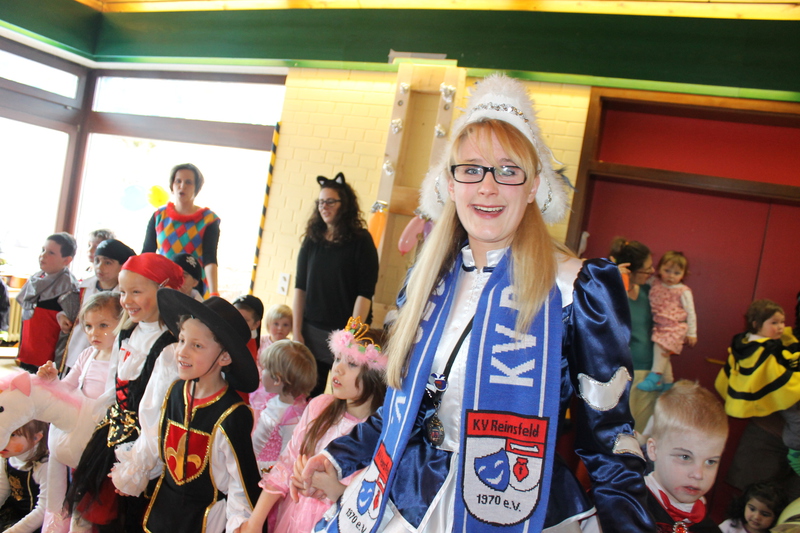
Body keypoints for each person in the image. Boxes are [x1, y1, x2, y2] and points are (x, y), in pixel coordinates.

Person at [299, 74, 652, 533]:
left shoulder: (575, 289)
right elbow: (406, 409)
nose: (487, 187)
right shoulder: (427, 283)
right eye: (471, 169)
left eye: (508, 170)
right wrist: (340, 455)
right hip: (408, 494)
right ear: (451, 184)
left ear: (533, 187)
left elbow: (611, 444)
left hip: (517, 504)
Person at [110, 289, 262, 532]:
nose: (182, 351)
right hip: (162, 515)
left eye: (197, 345)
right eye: (181, 340)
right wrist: (136, 473)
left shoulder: (232, 414)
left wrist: (238, 525)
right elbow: (161, 447)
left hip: (204, 521)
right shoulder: (175, 392)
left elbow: (239, 484)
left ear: (224, 357)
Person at [64, 253, 184, 532]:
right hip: (110, 439)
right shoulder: (127, 333)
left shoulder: (169, 348)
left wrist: (136, 467)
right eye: (122, 292)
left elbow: (155, 418)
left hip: (141, 450)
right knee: (95, 520)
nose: (126, 300)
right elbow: (111, 390)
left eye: (136, 292)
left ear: (163, 291)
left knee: (125, 522)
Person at [237, 317, 387, 533]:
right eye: (337, 359)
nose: (337, 369)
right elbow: (286, 463)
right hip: (293, 517)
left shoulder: (378, 435)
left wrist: (335, 489)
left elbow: (372, 505)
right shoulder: (320, 406)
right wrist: (255, 521)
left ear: (376, 375)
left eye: (352, 363)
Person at [38, 291, 123, 533]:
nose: (94, 333)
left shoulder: (123, 359)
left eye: (103, 325)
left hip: (104, 445)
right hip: (80, 441)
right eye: (88, 326)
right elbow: (67, 388)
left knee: (97, 508)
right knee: (78, 498)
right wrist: (52, 381)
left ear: (122, 323)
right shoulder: (87, 355)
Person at [293, 172, 379, 397]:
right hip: (311, 333)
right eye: (321, 202)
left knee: (341, 397)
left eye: (330, 201)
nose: (324, 207)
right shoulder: (312, 239)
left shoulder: (361, 240)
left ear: (345, 204)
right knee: (307, 397)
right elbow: (300, 288)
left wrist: (350, 338)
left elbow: (364, 294)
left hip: (344, 336)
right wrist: (296, 331)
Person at [716, 299, 800, 501]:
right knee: (750, 501)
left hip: (784, 436)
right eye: (774, 322)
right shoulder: (775, 342)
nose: (779, 326)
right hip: (767, 435)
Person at [644, 380, 728, 533]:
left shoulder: (707, 527)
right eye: (685, 457)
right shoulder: (625, 506)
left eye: (710, 462)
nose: (698, 474)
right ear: (653, 450)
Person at [142, 163, 221, 296]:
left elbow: (210, 258)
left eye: (188, 182)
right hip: (163, 284)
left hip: (194, 287)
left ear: (197, 188)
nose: (182, 186)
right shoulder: (159, 216)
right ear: (172, 186)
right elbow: (147, 253)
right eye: (178, 181)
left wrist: (214, 293)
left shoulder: (208, 219)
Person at [59, 238, 135, 374]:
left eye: (108, 262)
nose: (100, 266)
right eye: (97, 261)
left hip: (107, 357)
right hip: (78, 348)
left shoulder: (124, 295)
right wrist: (63, 316)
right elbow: (73, 311)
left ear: (122, 266)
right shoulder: (83, 288)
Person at [610, 237, 657, 432]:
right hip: (619, 372)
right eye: (647, 269)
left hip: (647, 373)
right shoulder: (613, 291)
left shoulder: (648, 291)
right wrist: (613, 277)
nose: (652, 271)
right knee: (616, 431)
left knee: (640, 432)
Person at [16, 233, 80, 373]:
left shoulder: (68, 286)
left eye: (51, 253)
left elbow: (70, 325)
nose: (43, 255)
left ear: (66, 260)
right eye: (43, 250)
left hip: (47, 359)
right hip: (29, 350)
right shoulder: (36, 278)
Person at [251, 339, 317, 473]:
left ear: (277, 379)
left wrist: (256, 468)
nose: (260, 373)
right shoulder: (275, 398)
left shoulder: (292, 419)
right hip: (253, 459)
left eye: (264, 369)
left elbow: (286, 460)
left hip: (264, 471)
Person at [639, 251, 698, 392]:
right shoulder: (654, 282)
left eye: (676, 273)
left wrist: (692, 333)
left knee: (661, 347)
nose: (671, 276)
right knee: (664, 356)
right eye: (667, 271)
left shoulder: (683, 291)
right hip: (658, 325)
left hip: (674, 327)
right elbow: (640, 285)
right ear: (659, 269)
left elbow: (691, 313)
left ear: (684, 274)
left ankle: (654, 377)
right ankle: (667, 384)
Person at [0, 420, 49, 533]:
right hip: (14, 515)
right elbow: (2, 491)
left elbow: (43, 510)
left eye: (12, 435)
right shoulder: (7, 456)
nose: (2, 439)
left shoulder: (45, 465)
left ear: (36, 438)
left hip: (36, 523)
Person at [719, 482, 788, 533]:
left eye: (765, 514)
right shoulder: (730, 525)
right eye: (752, 509)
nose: (756, 517)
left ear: (776, 517)